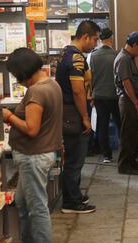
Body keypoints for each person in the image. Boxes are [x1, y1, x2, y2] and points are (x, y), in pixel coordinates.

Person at [2, 48, 62, 243]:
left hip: (33, 156)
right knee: (25, 203)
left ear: (22, 73)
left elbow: (32, 129)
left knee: (36, 207)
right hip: (38, 155)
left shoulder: (36, 92)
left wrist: (9, 117)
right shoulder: (52, 84)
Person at [56, 20, 100, 213]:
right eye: (95, 39)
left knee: (74, 158)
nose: (96, 44)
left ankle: (73, 194)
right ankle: (71, 203)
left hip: (68, 112)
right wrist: (85, 117)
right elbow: (78, 91)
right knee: (75, 159)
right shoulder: (76, 58)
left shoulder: (67, 52)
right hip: (73, 113)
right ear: (85, 37)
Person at [114, 32, 138, 175]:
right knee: (127, 134)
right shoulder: (123, 59)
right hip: (128, 101)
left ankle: (132, 161)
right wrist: (135, 102)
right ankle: (124, 165)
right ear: (134, 45)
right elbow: (126, 82)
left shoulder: (129, 58)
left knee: (134, 133)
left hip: (132, 100)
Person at [89, 28, 121, 163]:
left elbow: (91, 77)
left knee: (102, 125)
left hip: (99, 96)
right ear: (111, 39)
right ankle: (124, 153)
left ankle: (106, 155)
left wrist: (91, 94)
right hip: (114, 95)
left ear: (100, 40)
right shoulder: (116, 55)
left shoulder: (93, 56)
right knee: (120, 124)